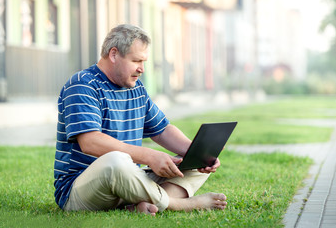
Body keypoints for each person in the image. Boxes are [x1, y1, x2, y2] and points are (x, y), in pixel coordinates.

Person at [54, 24, 227, 215]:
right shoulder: (82, 84)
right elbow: (90, 142)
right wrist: (150, 156)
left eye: (144, 61)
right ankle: (178, 204)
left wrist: (198, 154)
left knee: (191, 165)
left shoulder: (136, 88)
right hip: (80, 190)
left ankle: (142, 204)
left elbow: (162, 130)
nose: (142, 69)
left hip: (127, 181)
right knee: (116, 161)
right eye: (136, 60)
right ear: (113, 55)